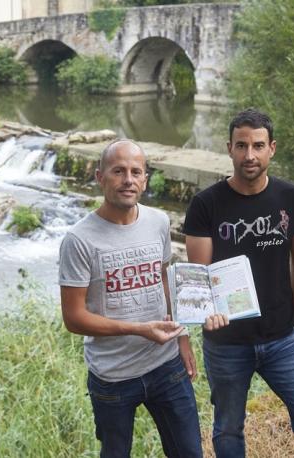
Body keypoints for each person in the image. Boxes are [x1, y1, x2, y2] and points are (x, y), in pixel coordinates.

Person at [183, 108, 294, 457]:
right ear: (229, 148)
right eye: (241, 146)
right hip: (226, 342)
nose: (249, 155)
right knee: (228, 431)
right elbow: (198, 275)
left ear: (272, 148)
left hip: (283, 338)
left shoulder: (291, 197)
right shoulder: (205, 204)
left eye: (257, 145)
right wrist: (207, 312)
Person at [58, 139, 203, 458]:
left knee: (190, 453)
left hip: (166, 366)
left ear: (145, 179)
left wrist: (183, 336)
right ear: (100, 177)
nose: (128, 179)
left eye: (136, 172)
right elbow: (74, 318)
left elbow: (164, 280)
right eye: (118, 171)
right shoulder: (79, 240)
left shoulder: (159, 221)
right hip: (113, 376)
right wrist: (138, 329)